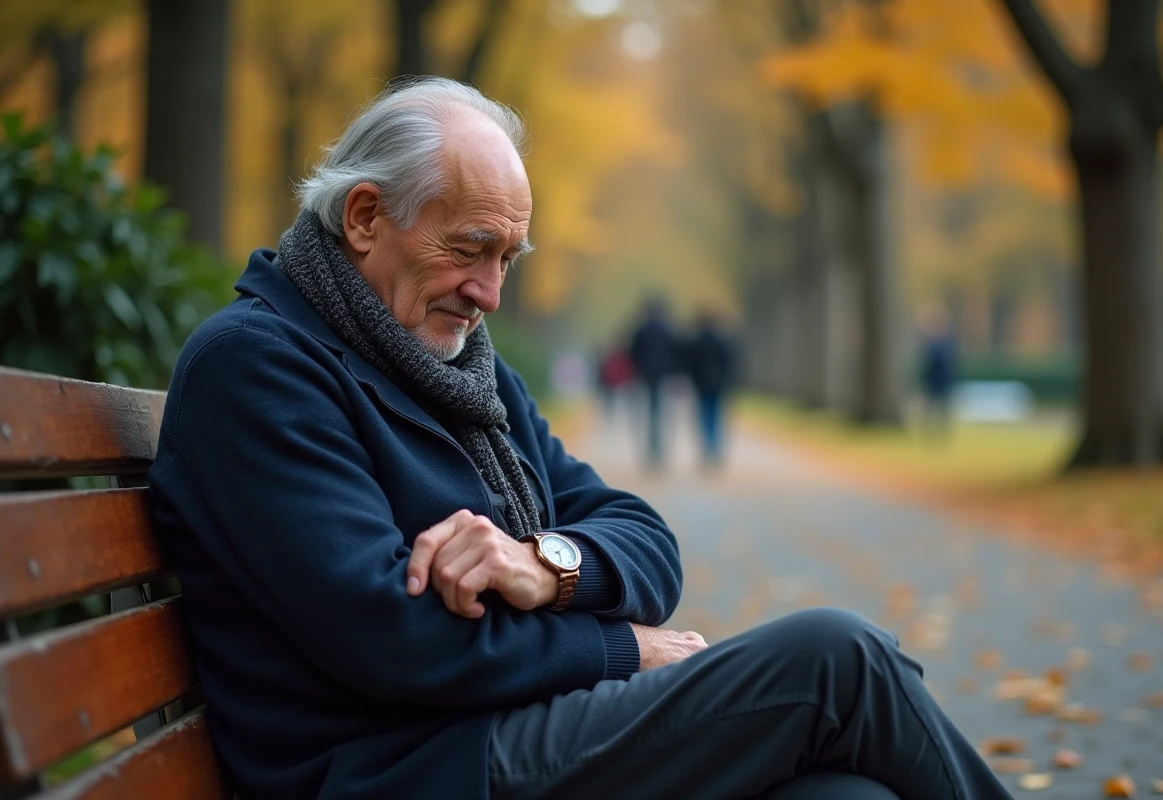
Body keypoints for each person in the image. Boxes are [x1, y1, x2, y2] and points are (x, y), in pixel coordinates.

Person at [148, 78, 1013, 800]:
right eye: (470, 249)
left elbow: (646, 541)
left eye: (508, 259)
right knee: (837, 658)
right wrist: (621, 647)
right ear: (367, 217)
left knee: (847, 796)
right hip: (402, 770)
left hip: (480, 734)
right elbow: (396, 638)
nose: (488, 292)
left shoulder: (460, 373)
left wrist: (545, 566)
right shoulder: (257, 367)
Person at [683, 309, 738, 466]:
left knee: (703, 417)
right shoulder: (722, 340)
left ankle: (706, 448)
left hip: (701, 384)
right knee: (716, 416)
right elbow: (729, 362)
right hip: (718, 384)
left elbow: (690, 363)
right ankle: (714, 448)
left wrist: (693, 379)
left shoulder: (696, 341)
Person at [628, 296, 677, 468]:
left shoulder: (641, 330)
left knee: (647, 413)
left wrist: (638, 368)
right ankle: (660, 449)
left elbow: (633, 352)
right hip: (663, 375)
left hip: (645, 375)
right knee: (662, 413)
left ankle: (650, 450)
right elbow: (674, 351)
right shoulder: (668, 330)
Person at [918, 304, 957, 441]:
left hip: (943, 382)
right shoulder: (929, 343)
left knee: (942, 411)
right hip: (932, 383)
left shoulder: (946, 343)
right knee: (929, 410)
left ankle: (941, 435)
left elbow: (951, 364)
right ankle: (928, 434)